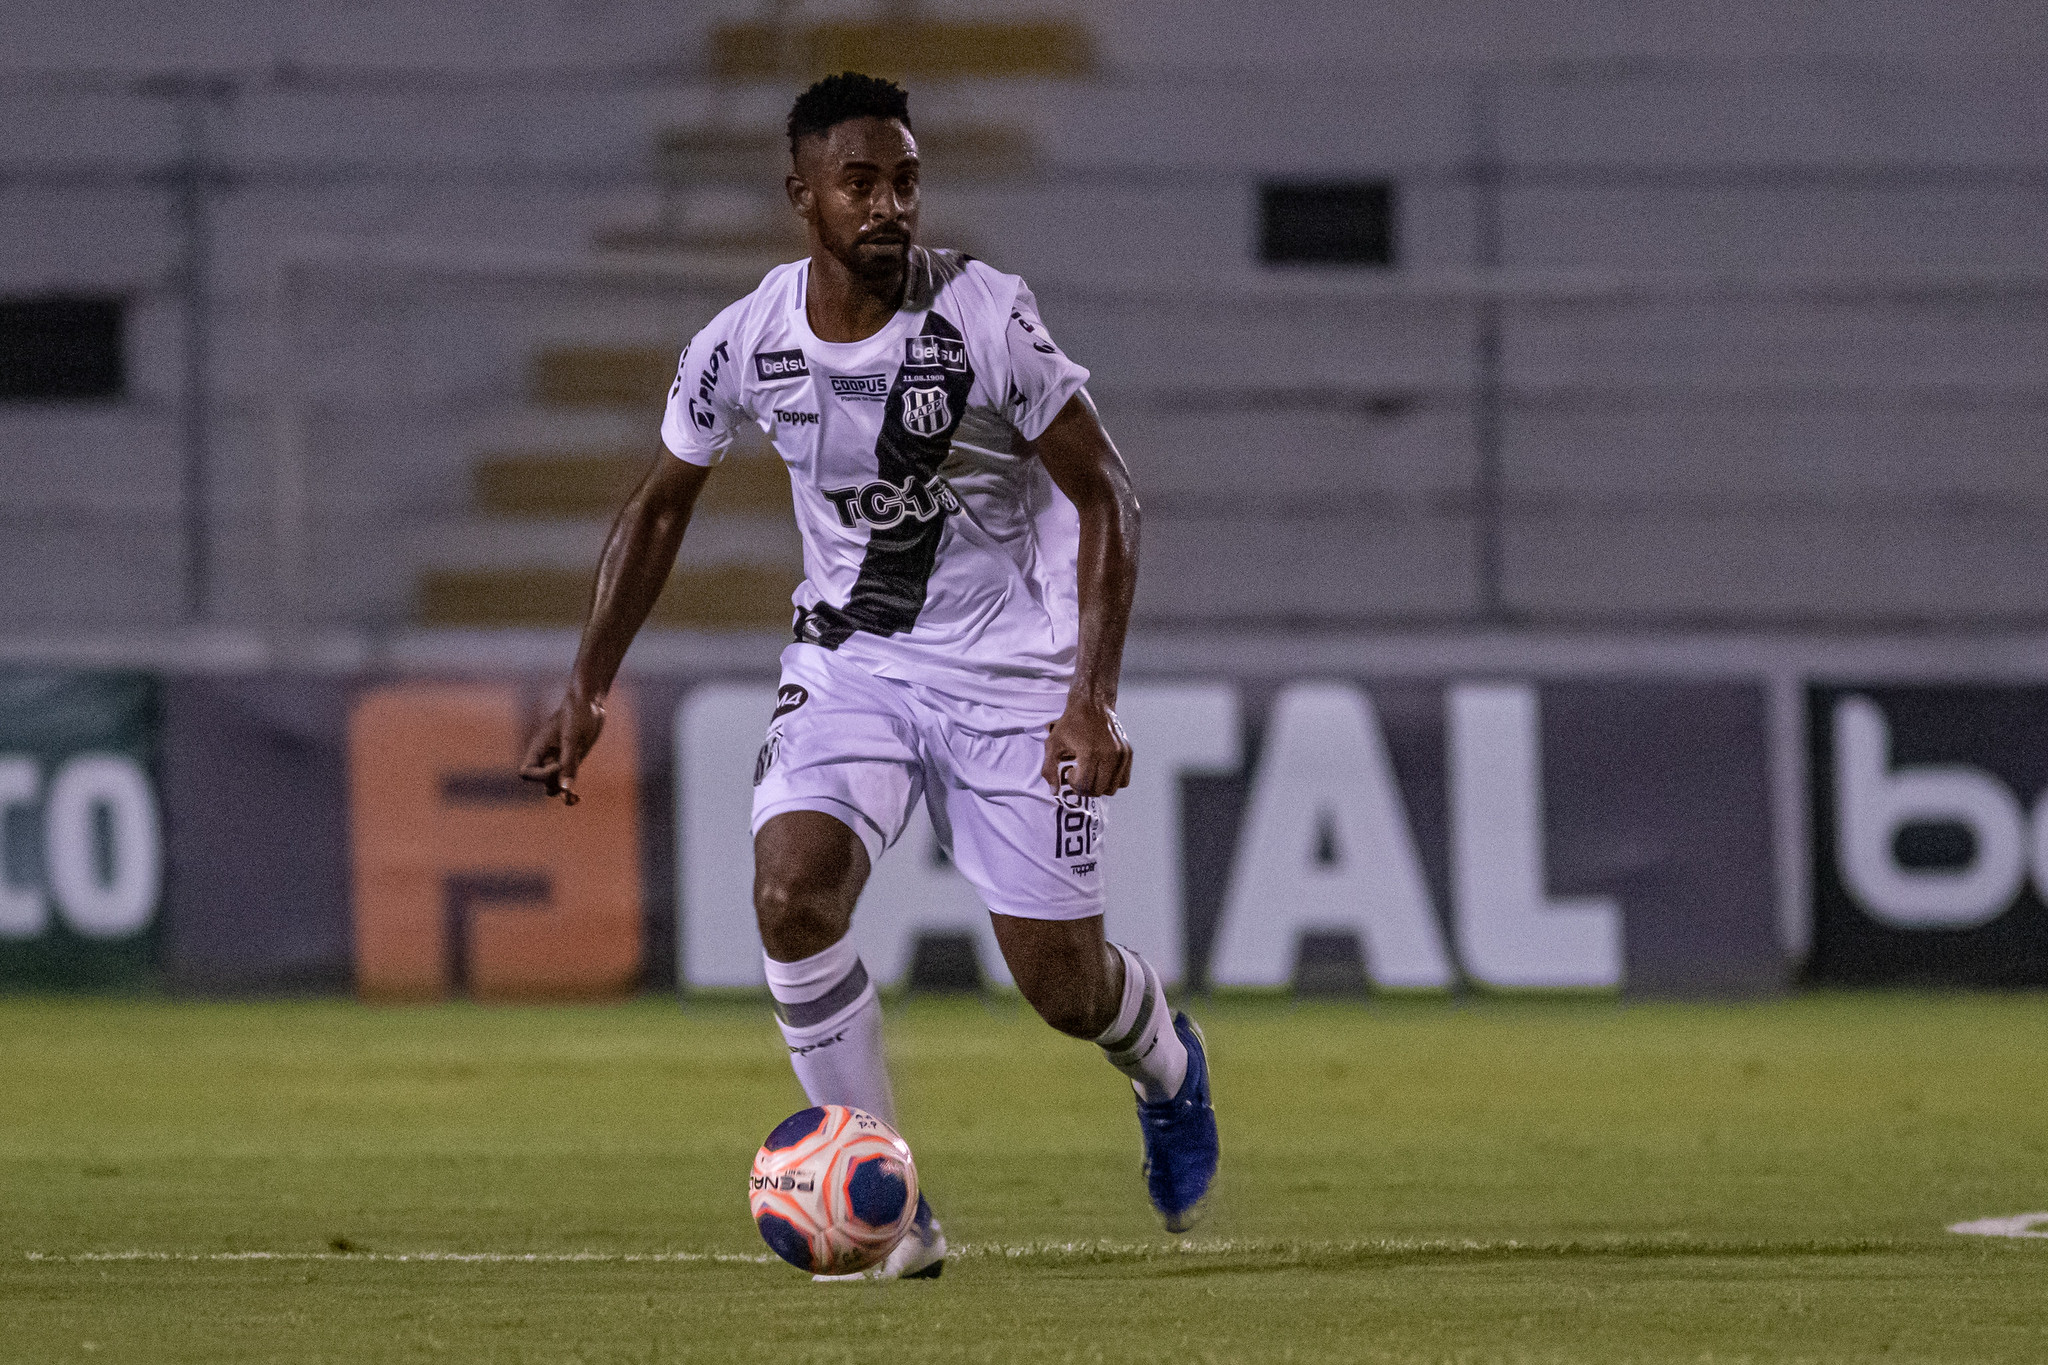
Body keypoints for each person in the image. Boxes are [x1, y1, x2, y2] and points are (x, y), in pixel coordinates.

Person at [520, 72, 1217, 1279]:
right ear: (803, 198)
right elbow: (660, 503)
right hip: (854, 664)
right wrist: (586, 684)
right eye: (860, 182)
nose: (889, 203)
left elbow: (1107, 493)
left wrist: (1089, 694)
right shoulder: (743, 342)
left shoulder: (987, 318)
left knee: (1059, 987)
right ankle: (890, 1199)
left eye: (903, 179)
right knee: (790, 895)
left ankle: (1163, 1059)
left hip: (1013, 670)